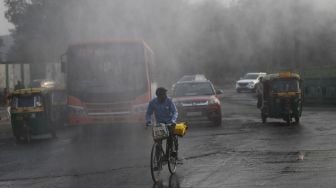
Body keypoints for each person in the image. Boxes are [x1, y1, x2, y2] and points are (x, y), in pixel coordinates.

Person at [146, 87, 179, 161]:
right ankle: (158, 161)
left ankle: (171, 153)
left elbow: (175, 112)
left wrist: (173, 120)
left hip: (169, 123)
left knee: (171, 136)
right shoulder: (152, 103)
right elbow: (148, 113)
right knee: (157, 141)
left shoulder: (169, 101)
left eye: (165, 94)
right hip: (160, 125)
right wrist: (148, 121)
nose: (165, 96)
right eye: (163, 95)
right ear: (158, 96)